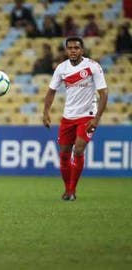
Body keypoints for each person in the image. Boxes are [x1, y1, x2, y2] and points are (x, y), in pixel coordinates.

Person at [42, 36, 108, 201]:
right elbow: (51, 91)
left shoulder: (93, 67)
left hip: (87, 115)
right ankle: (66, 189)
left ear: (82, 50)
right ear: (66, 50)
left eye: (76, 48)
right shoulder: (61, 68)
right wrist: (45, 112)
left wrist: (97, 118)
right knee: (64, 154)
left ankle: (72, 191)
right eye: (70, 48)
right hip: (68, 116)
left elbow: (104, 93)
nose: (73, 50)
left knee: (78, 149)